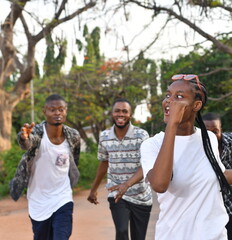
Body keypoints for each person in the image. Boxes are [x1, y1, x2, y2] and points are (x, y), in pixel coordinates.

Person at [140, 74, 232, 240]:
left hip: (214, 235)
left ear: (196, 105)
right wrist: (172, 125)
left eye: (178, 96)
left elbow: (220, 175)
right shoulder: (152, 145)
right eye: (167, 95)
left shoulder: (209, 138)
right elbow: (159, 185)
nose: (168, 101)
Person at [9, 94, 81, 240]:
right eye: (52, 110)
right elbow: (27, 143)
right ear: (44, 111)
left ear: (66, 111)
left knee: (61, 236)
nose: (57, 113)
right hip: (39, 200)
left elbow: (75, 159)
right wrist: (24, 138)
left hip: (63, 197)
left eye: (61, 109)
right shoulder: (37, 133)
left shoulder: (73, 135)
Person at [87, 98, 152, 240]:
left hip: (141, 196)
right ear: (112, 113)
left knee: (138, 237)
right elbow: (104, 163)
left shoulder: (141, 135)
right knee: (121, 231)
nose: (120, 114)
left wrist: (127, 184)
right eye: (117, 111)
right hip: (116, 194)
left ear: (130, 115)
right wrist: (93, 189)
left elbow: (146, 165)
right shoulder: (104, 136)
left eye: (124, 111)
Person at [203, 112, 232, 240]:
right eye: (207, 132)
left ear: (221, 130)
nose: (212, 136)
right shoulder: (196, 147)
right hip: (206, 207)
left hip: (228, 203)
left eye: (215, 131)